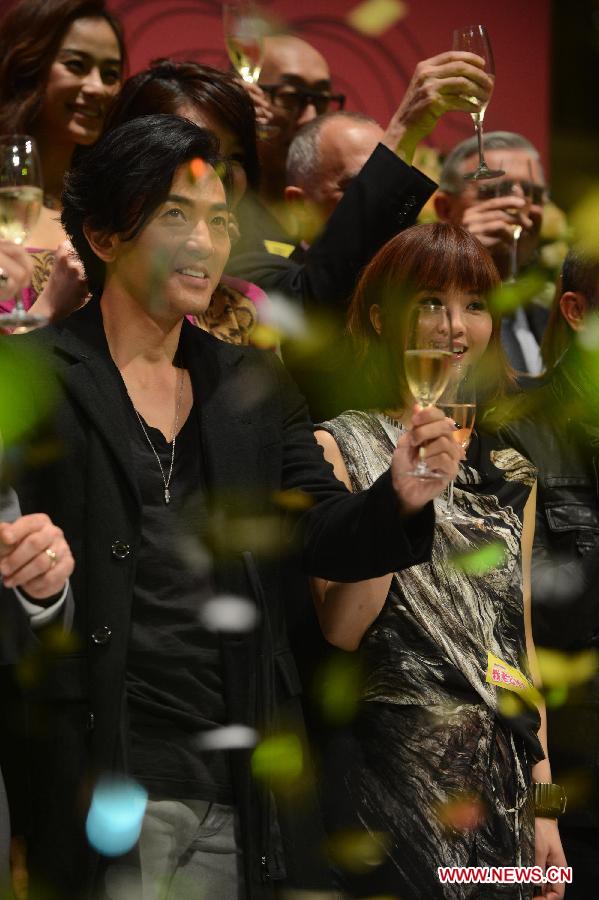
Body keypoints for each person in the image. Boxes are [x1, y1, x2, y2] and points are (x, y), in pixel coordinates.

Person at [3, 113, 460, 899]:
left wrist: (397, 498)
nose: (206, 242)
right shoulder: (30, 373)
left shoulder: (250, 383)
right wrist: (34, 588)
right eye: (175, 216)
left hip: (241, 775)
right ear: (106, 237)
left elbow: (321, 533)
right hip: (100, 768)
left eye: (219, 221)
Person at [312, 223, 567, 899]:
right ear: (380, 317)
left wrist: (549, 813)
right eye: (429, 301)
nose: (454, 326)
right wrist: (399, 501)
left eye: (474, 305)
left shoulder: (514, 468)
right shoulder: (340, 443)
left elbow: (521, 651)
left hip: (505, 787)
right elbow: (340, 629)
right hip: (393, 782)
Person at [500, 249, 599, 898]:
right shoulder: (515, 429)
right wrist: (541, 800)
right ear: (574, 311)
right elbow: (502, 629)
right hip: (560, 751)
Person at [0, 0, 125, 308]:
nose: (98, 87)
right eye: (76, 65)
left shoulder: (112, 209)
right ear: (29, 67)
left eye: (110, 74)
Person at [434, 131, 549, 375]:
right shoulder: (419, 311)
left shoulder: (554, 323)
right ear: (444, 208)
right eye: (494, 192)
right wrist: (463, 258)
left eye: (534, 195)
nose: (518, 206)